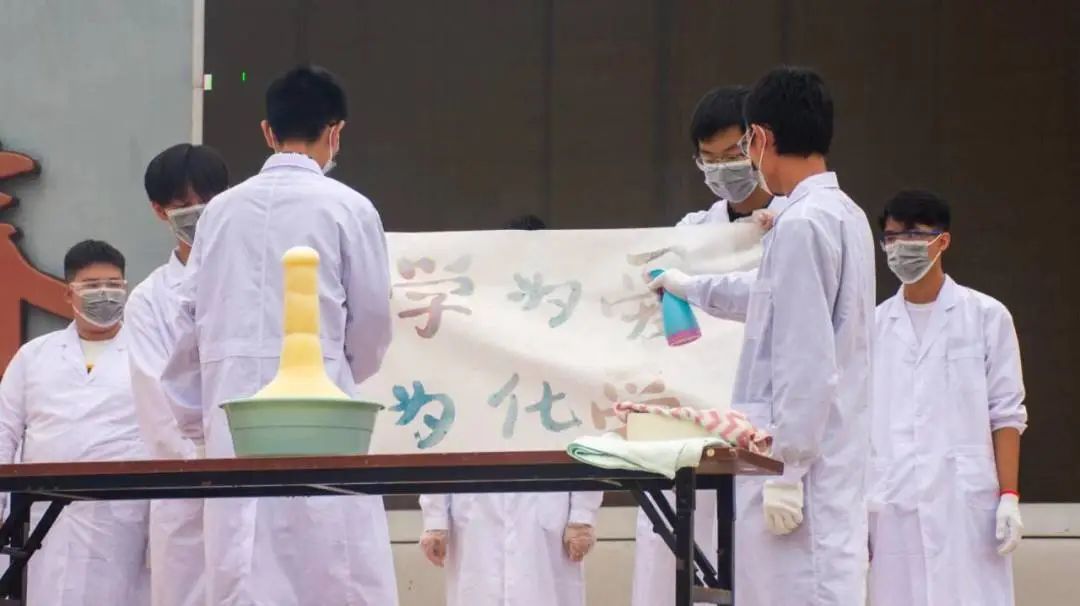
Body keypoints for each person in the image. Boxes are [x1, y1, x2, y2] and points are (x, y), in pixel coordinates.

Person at [161, 65, 398, 605]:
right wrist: (337, 371)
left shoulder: (219, 213)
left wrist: (197, 418)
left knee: (244, 563)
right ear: (336, 131)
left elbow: (187, 321)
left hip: (232, 414)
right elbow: (372, 322)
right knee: (330, 562)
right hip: (322, 408)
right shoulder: (349, 207)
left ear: (268, 131)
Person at [649, 66, 875, 605]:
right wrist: (692, 287)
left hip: (797, 477)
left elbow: (807, 362)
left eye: (746, 142)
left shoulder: (801, 225)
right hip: (822, 467)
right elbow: (767, 293)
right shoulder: (842, 215)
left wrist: (788, 472)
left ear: (762, 138)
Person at [634, 85, 789, 606]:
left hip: (769, 429)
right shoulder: (690, 236)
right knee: (682, 571)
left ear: (759, 144)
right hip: (696, 421)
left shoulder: (796, 224)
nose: (725, 170)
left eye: (733, 155)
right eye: (711, 159)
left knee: (762, 574)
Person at [417, 213, 602, 606]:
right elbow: (442, 426)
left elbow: (588, 426)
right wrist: (435, 516)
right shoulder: (468, 333)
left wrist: (583, 514)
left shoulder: (571, 338)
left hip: (548, 502)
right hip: (476, 502)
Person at [867, 190, 1025, 606]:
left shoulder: (987, 316)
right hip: (894, 500)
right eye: (892, 237)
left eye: (915, 235)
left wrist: (1009, 497)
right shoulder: (873, 326)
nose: (902, 247)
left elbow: (1007, 414)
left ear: (943, 241)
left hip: (966, 504)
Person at [0, 240, 149, 605]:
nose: (105, 294)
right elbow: (4, 429)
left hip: (124, 513)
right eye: (93, 285)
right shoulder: (35, 355)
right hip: (44, 514)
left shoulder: (150, 353)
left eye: (113, 284)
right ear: (69, 293)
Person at [126, 143, 229, 606]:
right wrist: (204, 464)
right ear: (158, 210)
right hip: (188, 484)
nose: (199, 213)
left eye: (209, 199)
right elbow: (156, 402)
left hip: (257, 470)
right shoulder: (148, 300)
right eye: (185, 205)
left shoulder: (257, 278)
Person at [678, 86, 782, 226]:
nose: (721, 168)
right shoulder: (696, 227)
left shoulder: (796, 216)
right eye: (710, 160)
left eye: (733, 157)